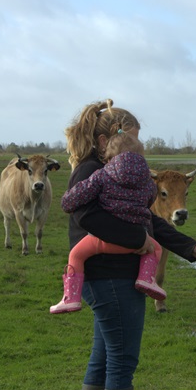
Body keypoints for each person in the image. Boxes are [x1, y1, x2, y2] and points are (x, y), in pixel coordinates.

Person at [62, 99, 196, 390]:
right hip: (111, 276)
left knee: (103, 358)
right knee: (122, 360)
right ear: (105, 139)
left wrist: (188, 246)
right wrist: (136, 242)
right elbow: (86, 216)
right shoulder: (91, 171)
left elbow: (146, 219)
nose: (135, 150)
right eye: (131, 139)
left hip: (111, 275)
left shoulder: (112, 169)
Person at [50, 130, 166, 315]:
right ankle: (146, 278)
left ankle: (70, 298)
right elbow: (150, 201)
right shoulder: (148, 183)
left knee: (76, 256)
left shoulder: (102, 175)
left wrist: (66, 200)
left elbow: (75, 198)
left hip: (101, 241)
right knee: (156, 249)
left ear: (109, 157)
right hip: (138, 243)